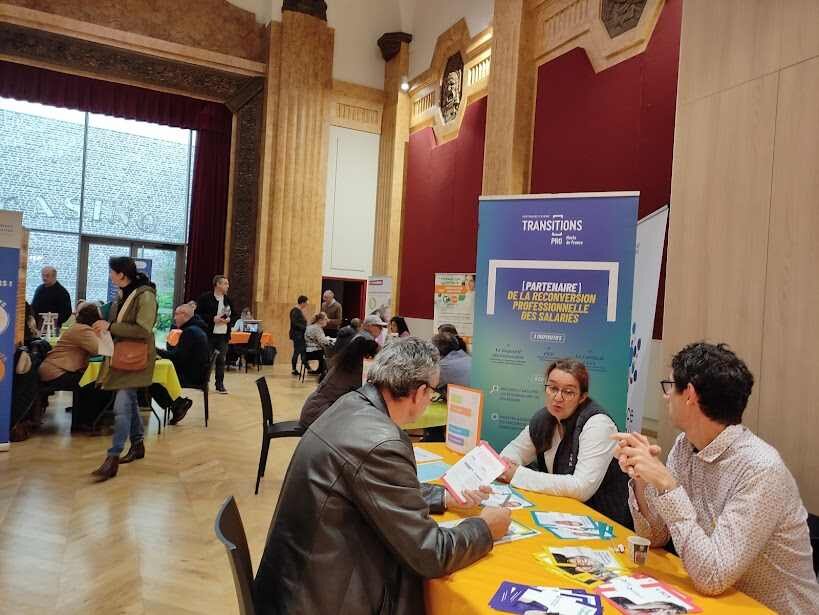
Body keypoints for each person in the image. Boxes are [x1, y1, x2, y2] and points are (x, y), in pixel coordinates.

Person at [253, 337, 511, 614]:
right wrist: (484, 528)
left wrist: (444, 497)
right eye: (434, 392)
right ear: (419, 392)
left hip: (294, 586)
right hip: (320, 599)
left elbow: (373, 486)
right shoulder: (382, 441)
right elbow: (429, 553)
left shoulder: (350, 404)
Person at [613, 342, 819, 614]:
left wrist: (666, 485)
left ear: (689, 394)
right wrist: (642, 477)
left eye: (670, 386)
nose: (665, 396)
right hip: (713, 601)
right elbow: (655, 536)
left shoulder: (760, 469)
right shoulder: (684, 446)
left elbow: (712, 577)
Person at [497, 358, 630, 528]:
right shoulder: (544, 418)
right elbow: (514, 452)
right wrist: (507, 465)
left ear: (582, 397)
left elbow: (581, 487)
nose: (558, 397)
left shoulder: (598, 424)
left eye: (568, 392)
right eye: (552, 388)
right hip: (562, 515)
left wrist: (517, 474)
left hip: (604, 522)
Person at [90, 256, 157, 481]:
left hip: (136, 359)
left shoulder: (145, 295)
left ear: (121, 274)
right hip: (123, 357)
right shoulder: (124, 294)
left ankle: (113, 457)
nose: (110, 276)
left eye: (112, 272)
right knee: (129, 402)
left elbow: (143, 330)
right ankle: (137, 444)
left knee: (121, 407)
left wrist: (110, 326)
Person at [299, 335, 379, 428]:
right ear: (367, 356)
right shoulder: (355, 371)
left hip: (313, 409)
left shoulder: (345, 364)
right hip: (319, 415)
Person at [150, 303, 210, 425]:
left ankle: (178, 404)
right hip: (196, 372)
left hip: (191, 375)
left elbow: (177, 358)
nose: (174, 318)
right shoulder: (196, 329)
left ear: (184, 315)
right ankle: (177, 404)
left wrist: (156, 351)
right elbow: (180, 355)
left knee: (150, 378)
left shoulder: (190, 332)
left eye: (176, 314)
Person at [38, 302, 101, 391]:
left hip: (51, 370)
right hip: (57, 373)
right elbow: (100, 350)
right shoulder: (83, 330)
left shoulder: (77, 327)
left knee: (90, 380)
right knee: (96, 384)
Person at [195, 275, 235, 394]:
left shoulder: (228, 300)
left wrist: (229, 320)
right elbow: (198, 314)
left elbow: (234, 314)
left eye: (228, 284)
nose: (228, 286)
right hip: (209, 334)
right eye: (225, 283)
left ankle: (219, 384)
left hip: (223, 335)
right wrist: (213, 319)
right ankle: (203, 383)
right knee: (207, 360)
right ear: (218, 284)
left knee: (221, 360)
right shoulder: (205, 298)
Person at [289, 295, 308, 376]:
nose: (306, 304)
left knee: (302, 351)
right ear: (302, 303)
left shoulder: (298, 310)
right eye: (306, 303)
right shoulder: (295, 311)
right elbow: (295, 323)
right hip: (297, 335)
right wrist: (305, 328)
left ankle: (306, 366)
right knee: (297, 352)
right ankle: (294, 369)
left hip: (299, 334)